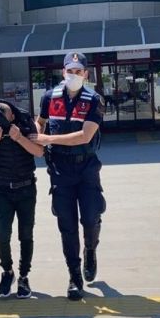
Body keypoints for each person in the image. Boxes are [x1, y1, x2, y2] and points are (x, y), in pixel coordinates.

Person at [30, 52, 106, 301]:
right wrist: (35, 133)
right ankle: (74, 276)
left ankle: (90, 249)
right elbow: (40, 122)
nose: (74, 75)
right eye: (69, 71)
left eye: (78, 71)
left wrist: (48, 138)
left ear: (86, 73)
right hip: (60, 169)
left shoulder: (94, 100)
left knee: (91, 217)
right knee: (67, 225)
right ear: (63, 72)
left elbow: (85, 136)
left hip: (86, 168)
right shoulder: (49, 97)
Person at [0, 100, 43, 298]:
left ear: (12, 116)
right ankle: (7, 271)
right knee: (1, 234)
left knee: (26, 234)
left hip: (26, 187)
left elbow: (39, 152)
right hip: (3, 188)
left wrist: (19, 137)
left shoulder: (25, 121)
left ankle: (24, 276)